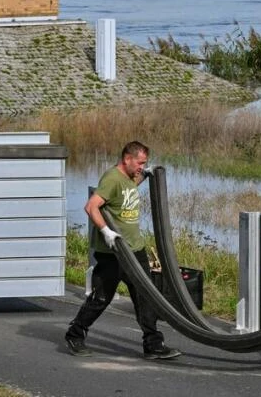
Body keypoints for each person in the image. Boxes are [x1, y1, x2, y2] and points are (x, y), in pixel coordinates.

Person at [64, 141, 181, 360]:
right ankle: (75, 334)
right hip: (114, 253)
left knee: (146, 296)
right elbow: (91, 206)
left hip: (135, 249)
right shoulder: (112, 178)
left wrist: (145, 174)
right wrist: (106, 231)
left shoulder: (128, 179)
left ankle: (153, 345)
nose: (141, 166)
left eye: (144, 163)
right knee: (101, 298)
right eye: (140, 162)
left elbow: (128, 192)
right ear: (127, 159)